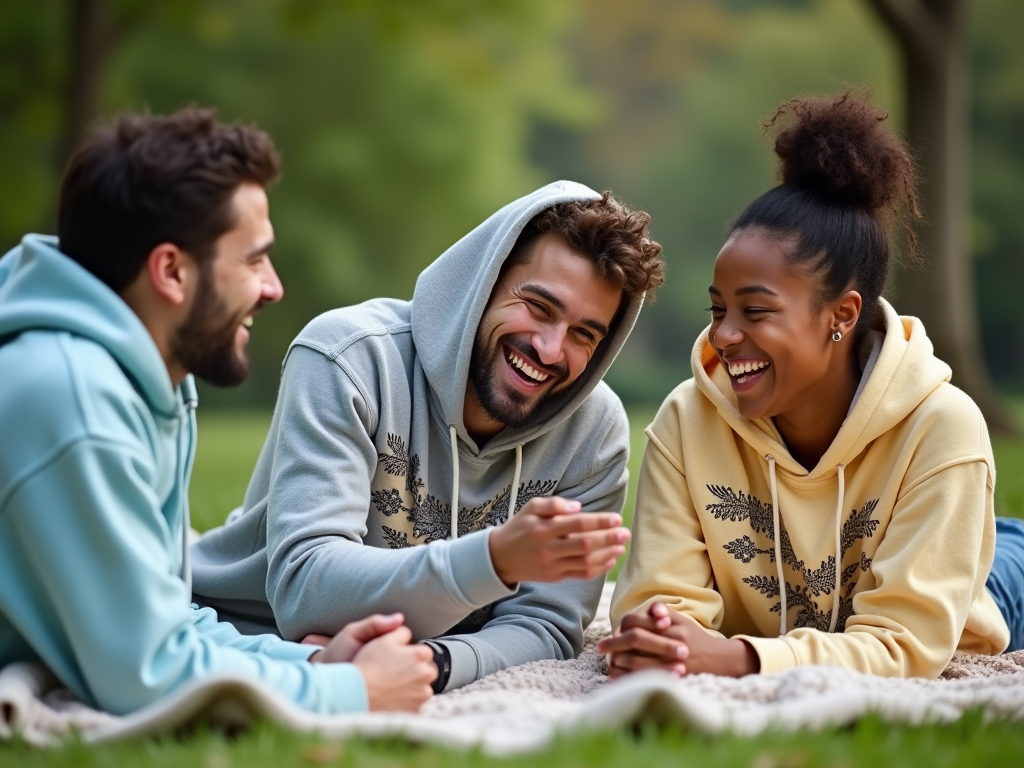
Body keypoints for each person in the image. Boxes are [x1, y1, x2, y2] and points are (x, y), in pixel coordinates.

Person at [0, 108, 437, 716]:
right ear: (172, 271)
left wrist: (310, 662)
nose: (274, 286)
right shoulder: (75, 402)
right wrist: (350, 692)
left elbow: (165, 615)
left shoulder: (146, 379)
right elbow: (144, 673)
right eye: (254, 260)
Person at [600, 91, 1024, 680]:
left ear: (842, 316)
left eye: (756, 311)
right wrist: (662, 637)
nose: (723, 336)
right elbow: (659, 606)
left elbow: (907, 645)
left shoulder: (941, 427)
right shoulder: (686, 420)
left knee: (1008, 562)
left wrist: (742, 657)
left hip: (985, 584)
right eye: (718, 309)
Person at [191, 181, 665, 692]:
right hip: (248, 627)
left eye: (583, 334)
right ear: (484, 282)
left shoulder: (593, 434)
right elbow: (304, 589)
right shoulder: (349, 358)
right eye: (538, 307)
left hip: (384, 657)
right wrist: (494, 559)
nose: (550, 350)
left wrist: (432, 663)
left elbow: (544, 626)